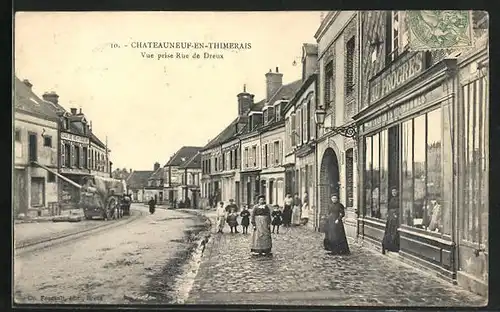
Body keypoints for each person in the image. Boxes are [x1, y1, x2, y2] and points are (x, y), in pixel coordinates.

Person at [382, 187, 400, 254]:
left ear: (397, 192)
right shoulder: (391, 199)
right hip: (390, 218)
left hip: (396, 218)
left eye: (395, 191)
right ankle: (389, 246)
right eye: (393, 192)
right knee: (389, 231)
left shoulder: (399, 199)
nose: (394, 193)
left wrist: (396, 213)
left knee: (394, 231)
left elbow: (399, 208)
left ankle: (394, 246)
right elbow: (389, 208)